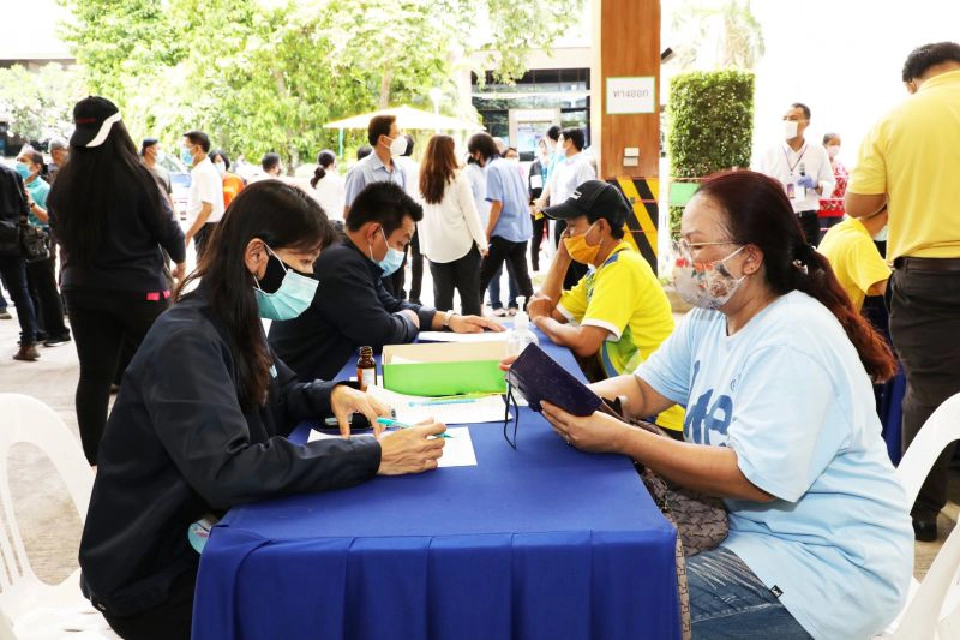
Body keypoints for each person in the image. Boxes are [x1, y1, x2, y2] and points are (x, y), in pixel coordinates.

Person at [527, 170, 912, 640]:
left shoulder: (793, 338)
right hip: (751, 538)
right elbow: (645, 390)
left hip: (826, 568)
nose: (685, 261)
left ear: (750, 257)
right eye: (683, 245)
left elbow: (754, 478)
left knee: (618, 600)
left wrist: (623, 438)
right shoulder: (713, 318)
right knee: (603, 573)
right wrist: (566, 394)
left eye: (697, 247)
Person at [78, 180, 446, 640]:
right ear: (257, 255)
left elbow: (282, 392)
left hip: (205, 531)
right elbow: (229, 469)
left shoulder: (235, 318)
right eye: (304, 263)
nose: (310, 279)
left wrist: (333, 395)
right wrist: (373, 455)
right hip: (158, 573)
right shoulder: (186, 339)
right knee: (333, 596)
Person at [845, 41, 960, 543]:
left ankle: (922, 512)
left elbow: (858, 204)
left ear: (914, 80)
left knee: (930, 392)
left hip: (930, 273)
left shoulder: (895, 119)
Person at [49, 96, 187, 465]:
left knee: (95, 375)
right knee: (159, 369)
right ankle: (162, 451)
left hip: (81, 289)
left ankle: (95, 457)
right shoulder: (138, 177)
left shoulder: (64, 182)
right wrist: (180, 259)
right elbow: (167, 229)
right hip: (139, 290)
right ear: (118, 129)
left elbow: (57, 233)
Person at [268, 182, 500, 382]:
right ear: (374, 233)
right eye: (400, 243)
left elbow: (389, 304)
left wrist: (449, 320)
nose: (401, 252)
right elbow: (380, 332)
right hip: (300, 383)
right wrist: (409, 320)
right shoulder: (341, 263)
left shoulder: (354, 255)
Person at [526, 180, 684, 435]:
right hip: (635, 404)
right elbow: (550, 310)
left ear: (601, 226)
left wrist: (540, 320)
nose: (566, 236)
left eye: (572, 226)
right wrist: (562, 257)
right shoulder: (599, 273)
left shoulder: (623, 267)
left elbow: (584, 341)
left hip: (659, 415)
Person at [417, 135, 486, 315]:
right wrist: (482, 242)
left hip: (435, 248)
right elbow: (470, 212)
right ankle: (472, 331)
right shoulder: (458, 177)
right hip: (461, 245)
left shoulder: (422, 180)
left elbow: (420, 217)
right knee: (470, 298)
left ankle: (445, 331)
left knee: (442, 301)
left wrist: (424, 247)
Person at [755, 102, 835, 246]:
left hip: (807, 218)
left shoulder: (818, 152)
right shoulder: (769, 153)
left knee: (808, 258)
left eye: (794, 118)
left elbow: (830, 184)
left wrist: (816, 184)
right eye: (785, 118)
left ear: (807, 123)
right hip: (778, 218)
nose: (788, 122)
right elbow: (758, 188)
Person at [471, 132, 535, 310]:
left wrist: (487, 234)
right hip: (521, 229)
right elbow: (525, 196)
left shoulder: (492, 169)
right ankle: (535, 312)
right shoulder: (511, 165)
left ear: (478, 152)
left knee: (482, 277)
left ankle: (473, 312)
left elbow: (497, 204)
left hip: (503, 231)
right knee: (522, 277)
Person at [17, 149, 71, 347]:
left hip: (41, 240)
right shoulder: (17, 185)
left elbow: (49, 218)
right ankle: (39, 329)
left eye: (24, 161)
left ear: (37, 167)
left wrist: (31, 203)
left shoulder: (44, 189)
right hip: (23, 242)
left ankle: (58, 331)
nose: (20, 164)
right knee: (30, 287)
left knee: (46, 286)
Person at [538, 128, 595, 289]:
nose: (559, 144)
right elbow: (553, 189)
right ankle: (567, 296)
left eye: (562, 140)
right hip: (560, 219)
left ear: (570, 143)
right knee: (563, 262)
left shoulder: (583, 165)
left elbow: (585, 194)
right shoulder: (561, 165)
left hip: (576, 221)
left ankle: (582, 297)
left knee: (577, 264)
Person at [0, 159, 39, 360]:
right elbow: (24, 207)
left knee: (21, 293)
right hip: (12, 240)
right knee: (21, 293)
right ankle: (29, 342)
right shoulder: (12, 175)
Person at [817, 207, 890, 313]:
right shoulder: (859, 242)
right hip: (842, 318)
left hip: (827, 313)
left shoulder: (838, 230)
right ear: (887, 215)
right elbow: (888, 289)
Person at [343, 115, 408, 220]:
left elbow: (403, 207)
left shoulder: (400, 170)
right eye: (397, 133)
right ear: (382, 139)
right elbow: (349, 213)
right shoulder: (359, 172)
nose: (402, 138)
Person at [391, 135, 424, 303]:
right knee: (418, 256)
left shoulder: (393, 166)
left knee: (398, 254)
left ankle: (399, 292)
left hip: (398, 216)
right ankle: (415, 295)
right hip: (417, 215)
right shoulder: (418, 167)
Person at [182, 130, 224, 262]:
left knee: (205, 268)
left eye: (187, 147)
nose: (184, 151)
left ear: (198, 148)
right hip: (205, 228)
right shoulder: (201, 170)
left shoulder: (204, 172)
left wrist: (189, 234)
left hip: (206, 229)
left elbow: (207, 209)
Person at [817, 132, 847, 234]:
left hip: (838, 211)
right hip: (821, 211)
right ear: (824, 145)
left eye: (838, 144)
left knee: (834, 239)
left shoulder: (841, 166)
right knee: (821, 240)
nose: (836, 147)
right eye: (833, 144)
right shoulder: (818, 164)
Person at [528, 138, 549, 272]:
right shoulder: (534, 165)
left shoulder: (554, 163)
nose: (544, 149)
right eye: (541, 146)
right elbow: (530, 188)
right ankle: (535, 267)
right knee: (537, 235)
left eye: (545, 146)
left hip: (552, 203)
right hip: (537, 203)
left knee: (552, 233)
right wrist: (531, 205)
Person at [309, 149, 345, 222]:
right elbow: (346, 200)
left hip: (317, 221)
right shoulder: (338, 180)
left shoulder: (315, 180)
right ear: (332, 164)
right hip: (334, 220)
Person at [141, 139, 173, 204]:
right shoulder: (139, 171)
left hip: (164, 209)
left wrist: (172, 209)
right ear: (148, 150)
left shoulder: (164, 172)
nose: (159, 152)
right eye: (158, 149)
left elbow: (169, 195)